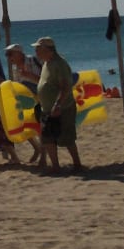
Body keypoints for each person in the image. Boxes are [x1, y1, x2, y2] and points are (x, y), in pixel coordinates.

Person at [33, 37, 82, 174]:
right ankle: (55, 166)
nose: (36, 51)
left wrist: (58, 105)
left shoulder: (59, 64)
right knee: (47, 137)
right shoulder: (46, 63)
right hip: (47, 108)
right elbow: (46, 83)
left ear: (48, 50)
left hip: (63, 107)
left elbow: (65, 87)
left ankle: (77, 164)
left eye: (38, 48)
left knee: (67, 137)